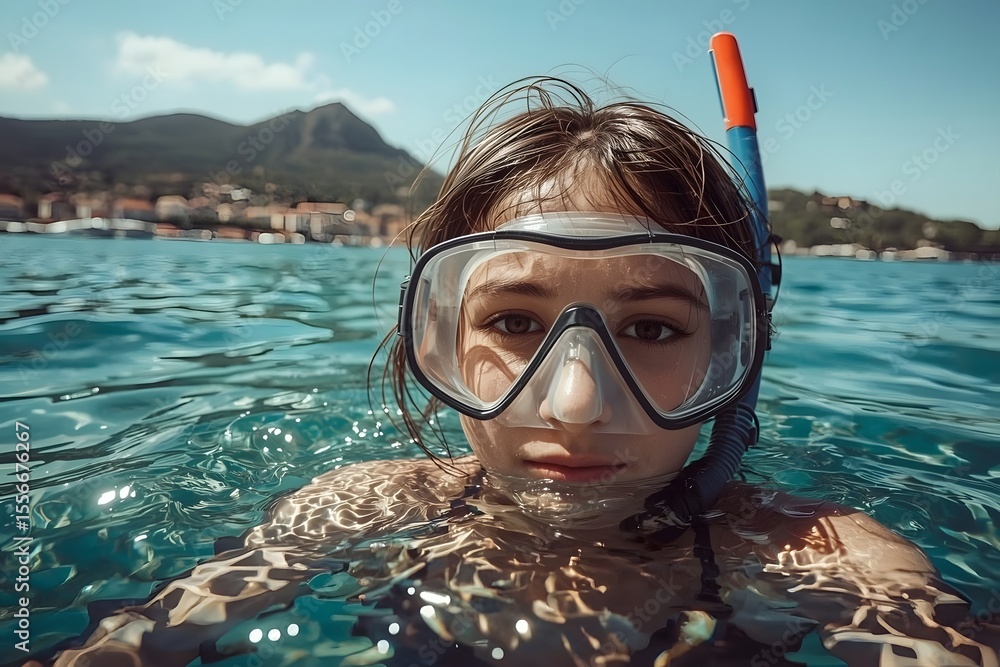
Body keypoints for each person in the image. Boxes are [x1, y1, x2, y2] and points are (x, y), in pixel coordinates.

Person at [32, 78, 998, 667]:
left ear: (737, 352)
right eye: (512, 319)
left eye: (654, 325)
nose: (573, 404)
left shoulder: (824, 557)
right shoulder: (359, 504)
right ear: (437, 334)